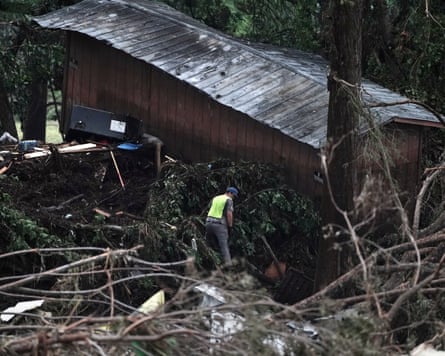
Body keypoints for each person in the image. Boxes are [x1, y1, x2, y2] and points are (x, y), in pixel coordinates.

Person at [205, 186, 239, 265]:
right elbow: (229, 214)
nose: (233, 197)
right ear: (229, 193)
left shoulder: (216, 198)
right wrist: (230, 226)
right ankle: (229, 266)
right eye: (233, 195)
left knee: (208, 244)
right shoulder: (228, 200)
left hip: (208, 222)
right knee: (224, 246)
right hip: (219, 225)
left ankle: (209, 262)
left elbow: (210, 208)